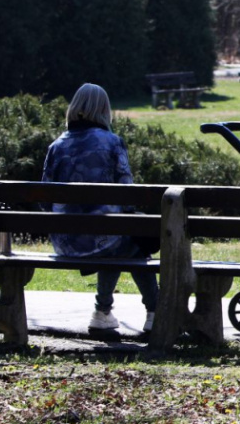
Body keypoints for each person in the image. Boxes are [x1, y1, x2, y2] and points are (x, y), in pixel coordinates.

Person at [41, 83, 159, 333]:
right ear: (104, 110)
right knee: (132, 243)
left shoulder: (57, 146)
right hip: (104, 237)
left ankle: (102, 312)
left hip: (65, 242)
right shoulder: (112, 142)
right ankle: (154, 312)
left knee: (116, 239)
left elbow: (44, 197)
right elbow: (128, 195)